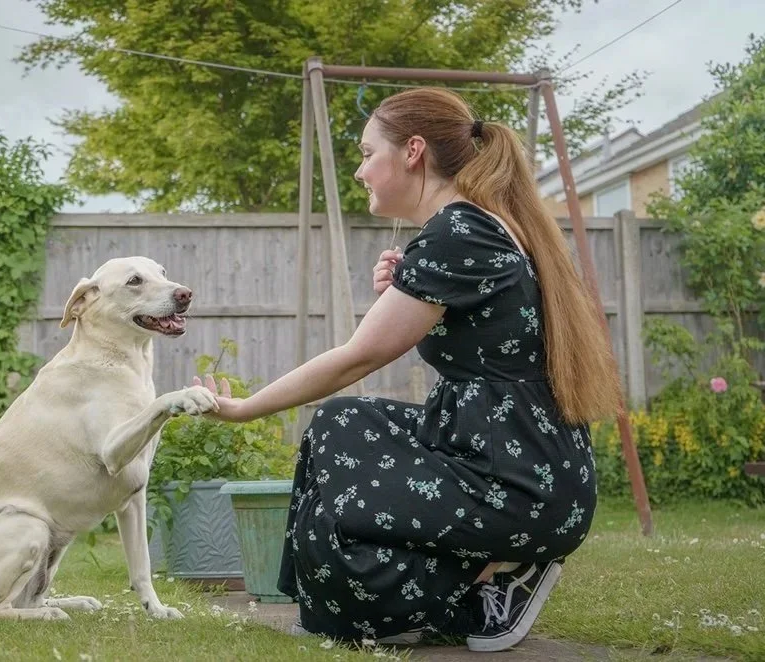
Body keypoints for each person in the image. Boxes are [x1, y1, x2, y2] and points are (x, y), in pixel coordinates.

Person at [191, 87, 623, 652]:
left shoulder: (460, 231)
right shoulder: (474, 227)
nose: (360, 170)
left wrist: (244, 409)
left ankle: (494, 579)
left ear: (412, 150)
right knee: (340, 426)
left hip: (516, 484)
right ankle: (471, 577)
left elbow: (359, 355)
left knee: (334, 507)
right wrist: (411, 282)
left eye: (369, 153)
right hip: (513, 464)